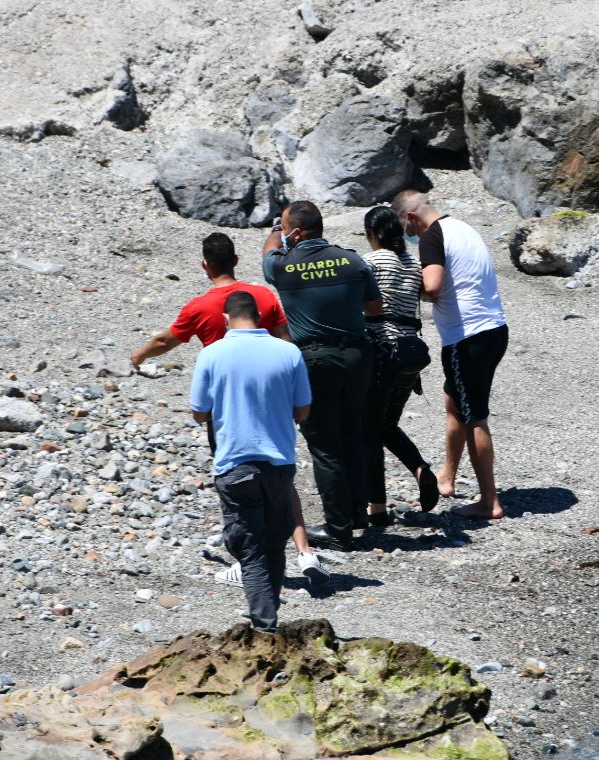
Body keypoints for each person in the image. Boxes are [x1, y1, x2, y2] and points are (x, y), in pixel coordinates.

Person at [130, 233, 326, 586]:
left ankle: (249, 561)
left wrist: (140, 354)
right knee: (281, 476)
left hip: (229, 407)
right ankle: (304, 551)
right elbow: (286, 341)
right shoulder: (264, 296)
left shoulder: (200, 306)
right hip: (272, 398)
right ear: (236, 260)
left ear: (204, 265)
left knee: (237, 483)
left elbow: (167, 340)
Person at [262, 200, 384, 552]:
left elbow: (268, 252)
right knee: (352, 431)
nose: (282, 234)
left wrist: (274, 232)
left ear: (296, 233)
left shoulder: (284, 265)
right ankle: (357, 515)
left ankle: (338, 528)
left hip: (317, 359)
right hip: (358, 355)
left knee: (324, 445)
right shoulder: (352, 259)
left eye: (286, 228)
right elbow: (374, 307)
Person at [189, 291, 310, 632]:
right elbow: (303, 410)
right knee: (273, 542)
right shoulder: (288, 352)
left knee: (249, 546)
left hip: (235, 462)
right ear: (258, 316)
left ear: (227, 318)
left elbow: (199, 413)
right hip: (279, 461)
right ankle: (268, 615)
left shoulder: (213, 354)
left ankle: (264, 624)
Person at [392, 191, 508, 520]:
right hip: (495, 329)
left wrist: (399, 286)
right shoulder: (462, 227)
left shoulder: (431, 236)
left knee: (475, 417)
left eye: (404, 226)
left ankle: (490, 502)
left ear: (411, 217)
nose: (406, 233)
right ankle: (447, 477)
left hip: (467, 337)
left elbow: (432, 286)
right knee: (454, 402)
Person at [360, 205, 439, 524]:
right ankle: (420, 469)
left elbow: (360, 302)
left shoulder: (372, 261)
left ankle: (376, 508)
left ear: (373, 234)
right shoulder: (413, 263)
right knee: (385, 425)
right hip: (410, 354)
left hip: (382, 352)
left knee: (369, 431)